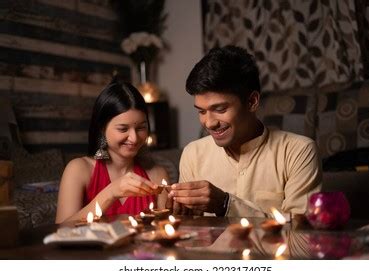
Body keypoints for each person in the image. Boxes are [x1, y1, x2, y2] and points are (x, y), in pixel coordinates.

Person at [168, 45, 321, 218]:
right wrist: (180, 215)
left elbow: (301, 232)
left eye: (219, 109)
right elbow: (189, 233)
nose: (209, 123)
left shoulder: (298, 152)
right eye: (201, 111)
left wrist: (225, 204)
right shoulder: (193, 154)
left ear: (252, 102)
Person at [56, 79, 169, 223]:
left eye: (141, 127)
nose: (134, 138)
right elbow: (61, 230)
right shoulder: (79, 169)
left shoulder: (157, 175)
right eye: (123, 129)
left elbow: (165, 229)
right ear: (102, 129)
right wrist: (111, 193)